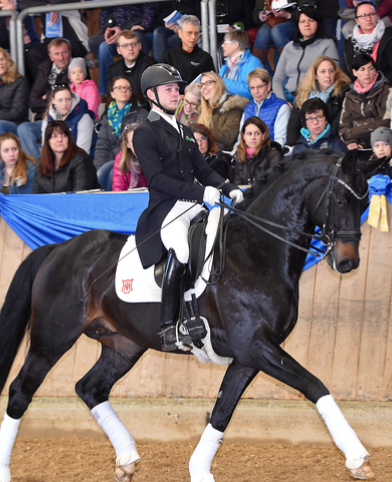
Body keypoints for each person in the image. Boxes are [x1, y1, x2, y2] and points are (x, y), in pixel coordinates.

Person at [133, 63, 244, 350]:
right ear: (151, 94)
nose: (176, 94)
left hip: (193, 202)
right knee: (182, 250)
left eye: (176, 89)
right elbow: (156, 180)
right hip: (167, 209)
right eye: (169, 89)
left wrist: (230, 188)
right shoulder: (145, 132)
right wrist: (198, 192)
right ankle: (169, 326)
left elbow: (204, 171)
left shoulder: (183, 130)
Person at [273, 4, 339, 104]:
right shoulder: (289, 47)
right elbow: (277, 79)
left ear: (318, 23)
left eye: (311, 20)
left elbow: (332, 77)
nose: (306, 24)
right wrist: (283, 102)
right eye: (302, 21)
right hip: (288, 98)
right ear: (298, 25)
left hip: (313, 99)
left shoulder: (327, 44)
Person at [88, 4, 156, 96]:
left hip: (137, 29)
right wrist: (108, 29)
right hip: (116, 32)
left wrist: (125, 29)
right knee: (101, 46)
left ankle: (140, 71)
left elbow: (149, 11)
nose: (130, 48)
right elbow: (105, 13)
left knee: (137, 36)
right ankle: (105, 93)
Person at [94, 76, 148, 190]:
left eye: (127, 88)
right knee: (100, 174)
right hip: (112, 159)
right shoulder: (107, 117)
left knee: (111, 174)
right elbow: (102, 145)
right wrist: (98, 167)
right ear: (112, 93)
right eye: (119, 88)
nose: (124, 90)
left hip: (131, 159)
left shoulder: (141, 114)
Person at [287, 56, 350, 146]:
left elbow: (337, 123)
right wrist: (292, 145)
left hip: (330, 142)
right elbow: (294, 122)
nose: (328, 75)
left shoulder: (343, 92)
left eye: (331, 71)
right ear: (315, 75)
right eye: (323, 71)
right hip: (304, 141)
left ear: (336, 73)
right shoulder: (304, 93)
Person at [342, 1, 392, 89]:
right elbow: (346, 71)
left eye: (371, 14)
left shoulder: (391, 38)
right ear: (357, 20)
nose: (368, 19)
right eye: (364, 16)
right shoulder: (350, 42)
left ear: (377, 16)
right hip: (357, 90)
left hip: (384, 88)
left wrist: (379, 87)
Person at [338, 53, 392, 149]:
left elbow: (385, 123)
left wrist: (354, 132)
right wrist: (352, 142)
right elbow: (343, 128)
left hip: (381, 145)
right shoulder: (349, 95)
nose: (367, 73)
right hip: (355, 146)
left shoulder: (387, 91)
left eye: (370, 68)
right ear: (354, 72)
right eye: (362, 69)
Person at [32, 120, 98, 193]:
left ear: (69, 139)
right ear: (48, 141)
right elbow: (36, 196)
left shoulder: (81, 160)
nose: (60, 139)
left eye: (63, 135)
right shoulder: (40, 163)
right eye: (54, 136)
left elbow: (80, 195)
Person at [237, 67, 290, 148]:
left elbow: (279, 141)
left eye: (260, 86)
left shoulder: (281, 107)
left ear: (268, 86)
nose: (256, 91)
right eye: (252, 88)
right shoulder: (248, 108)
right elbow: (240, 138)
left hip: (269, 155)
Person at [197, 72, 249, 151]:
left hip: (224, 156)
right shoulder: (201, 109)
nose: (204, 87)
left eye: (208, 83)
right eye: (201, 85)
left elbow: (227, 138)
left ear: (218, 84)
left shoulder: (233, 107)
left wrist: (202, 133)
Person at [28, 38, 73, 122]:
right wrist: (55, 102)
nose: (61, 57)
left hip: (67, 119)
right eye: (56, 54)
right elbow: (33, 102)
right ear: (51, 57)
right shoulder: (44, 70)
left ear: (70, 53)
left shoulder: (76, 70)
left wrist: (47, 97)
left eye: (64, 52)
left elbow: (73, 100)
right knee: (24, 128)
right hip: (44, 117)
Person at [163, 15, 215, 86]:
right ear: (180, 33)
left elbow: (211, 84)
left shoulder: (205, 58)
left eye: (196, 33)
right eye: (189, 33)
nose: (193, 37)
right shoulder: (169, 55)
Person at [232, 117, 283, 185]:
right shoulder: (239, 155)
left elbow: (275, 183)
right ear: (244, 136)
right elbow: (237, 183)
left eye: (257, 133)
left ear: (263, 135)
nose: (253, 137)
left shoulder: (274, 154)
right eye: (249, 134)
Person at [108, 30, 157, 101]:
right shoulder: (114, 69)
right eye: (125, 45)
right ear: (118, 50)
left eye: (133, 44)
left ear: (140, 46)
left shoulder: (151, 66)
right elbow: (111, 97)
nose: (130, 48)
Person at [218, 30, 264, 100]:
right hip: (227, 107)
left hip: (247, 108)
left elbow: (251, 91)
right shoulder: (227, 65)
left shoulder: (253, 63)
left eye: (225, 42)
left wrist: (222, 81)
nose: (222, 45)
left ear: (235, 45)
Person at [251, 0, 295, 73]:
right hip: (272, 21)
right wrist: (261, 15)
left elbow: (305, 8)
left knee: (276, 31)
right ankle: (258, 75)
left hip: (293, 21)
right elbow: (255, 14)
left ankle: (291, 68)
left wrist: (287, 14)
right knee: (263, 32)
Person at [112, 123, 147, 191]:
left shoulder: (156, 156)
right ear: (127, 144)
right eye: (133, 141)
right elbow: (118, 191)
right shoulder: (120, 159)